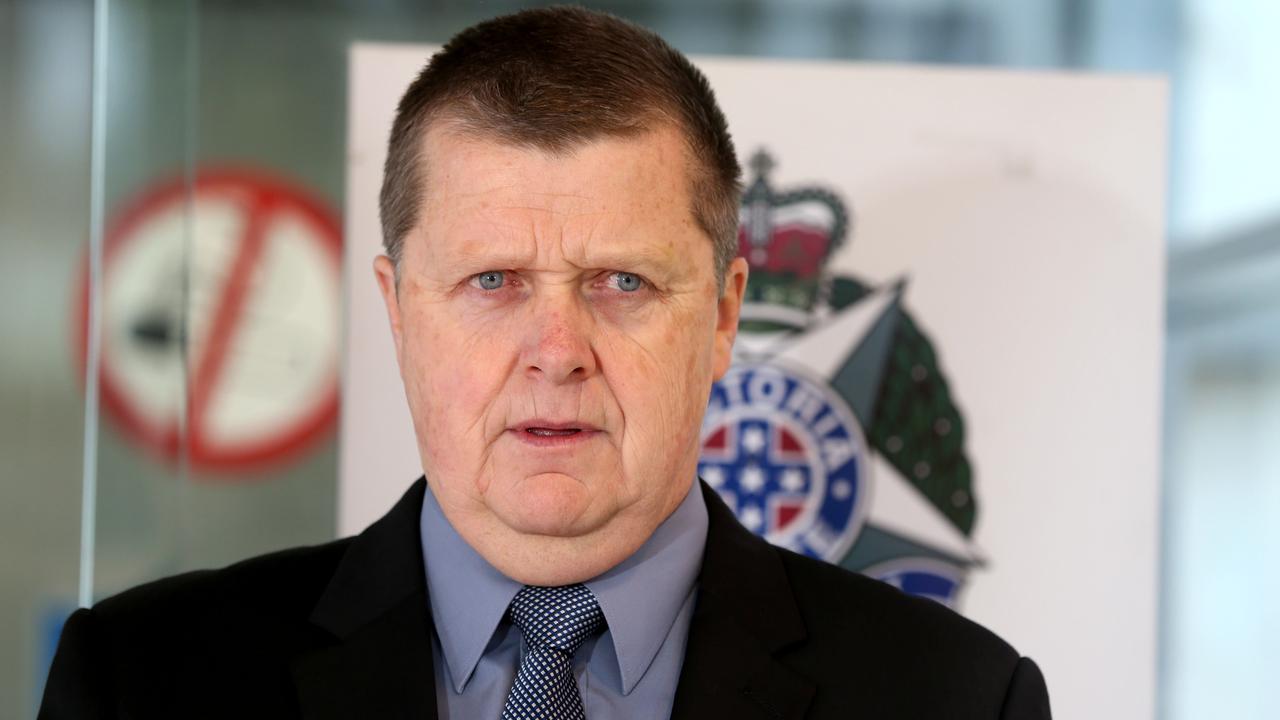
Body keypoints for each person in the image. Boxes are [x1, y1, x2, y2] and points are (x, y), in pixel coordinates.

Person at [40, 7, 1051, 719]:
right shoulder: (144, 681)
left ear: (725, 316)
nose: (557, 352)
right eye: (492, 282)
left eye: (622, 283)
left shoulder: (956, 698)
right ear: (398, 312)